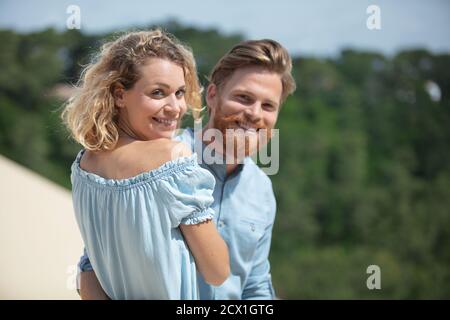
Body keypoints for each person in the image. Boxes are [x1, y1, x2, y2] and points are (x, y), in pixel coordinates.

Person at [78, 38, 296, 299]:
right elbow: (94, 264)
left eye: (268, 105)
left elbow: (255, 286)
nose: (255, 114)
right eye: (243, 98)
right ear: (213, 95)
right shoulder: (157, 162)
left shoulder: (262, 190)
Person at [62, 29, 229, 300]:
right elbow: (217, 271)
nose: (175, 107)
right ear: (119, 95)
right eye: (157, 93)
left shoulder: (84, 166)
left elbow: (89, 270)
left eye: (179, 92)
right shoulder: (172, 157)